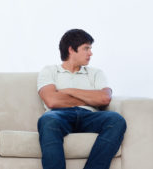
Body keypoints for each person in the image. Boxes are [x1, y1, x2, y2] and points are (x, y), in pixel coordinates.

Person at [37, 29, 126, 169]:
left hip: (89, 116)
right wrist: (91, 97)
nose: (90, 53)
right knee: (47, 120)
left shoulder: (96, 73)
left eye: (90, 48)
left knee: (116, 119)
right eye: (86, 48)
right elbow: (52, 101)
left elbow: (104, 98)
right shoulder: (49, 71)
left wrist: (69, 91)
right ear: (71, 49)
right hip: (59, 116)